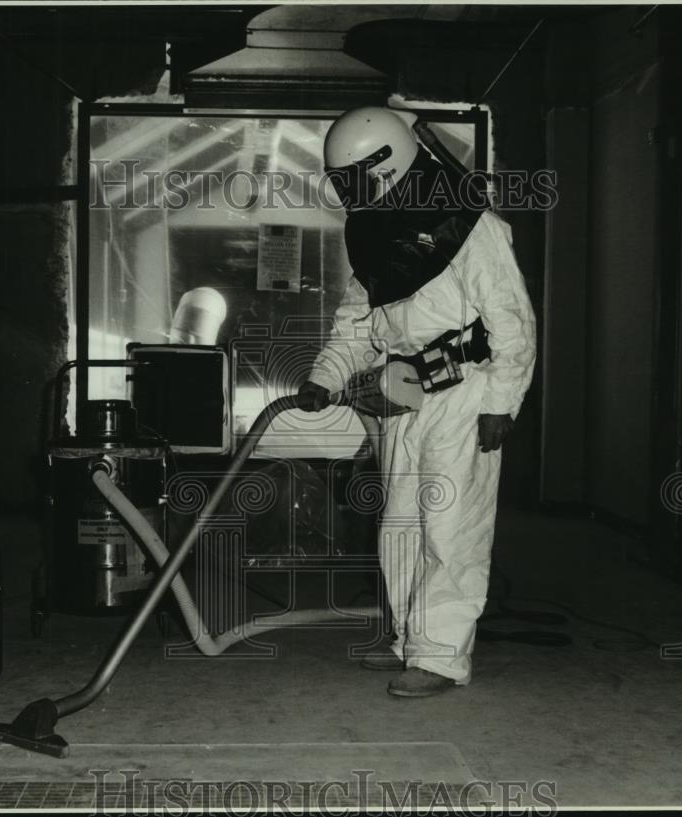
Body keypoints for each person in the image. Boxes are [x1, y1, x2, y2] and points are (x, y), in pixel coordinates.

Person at [299, 106, 536, 698]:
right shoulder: (374, 233)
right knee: (401, 525)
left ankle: (440, 657)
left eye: (355, 179)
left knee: (451, 527)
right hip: (406, 397)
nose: (350, 193)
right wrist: (325, 377)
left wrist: (502, 403)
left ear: (387, 164)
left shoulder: (470, 225)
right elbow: (357, 323)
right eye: (342, 182)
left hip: (466, 394)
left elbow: (512, 320)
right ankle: (410, 639)